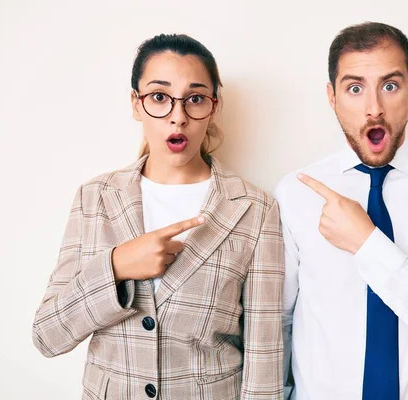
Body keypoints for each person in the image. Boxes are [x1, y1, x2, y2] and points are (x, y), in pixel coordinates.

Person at [32, 33, 284, 400]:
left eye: (195, 98)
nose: (177, 117)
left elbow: (264, 357)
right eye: (160, 98)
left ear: (213, 107)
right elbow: (47, 336)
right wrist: (116, 266)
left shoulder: (255, 209)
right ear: (136, 104)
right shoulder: (95, 198)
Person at [275, 22, 408, 400]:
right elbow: (277, 324)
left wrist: (367, 244)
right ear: (332, 96)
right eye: (355, 88)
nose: (373, 108)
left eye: (390, 86)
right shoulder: (296, 192)